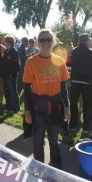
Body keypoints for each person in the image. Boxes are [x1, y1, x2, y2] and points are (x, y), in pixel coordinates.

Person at [23, 29, 70, 169]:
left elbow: (63, 87)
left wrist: (67, 107)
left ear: (53, 42)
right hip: (38, 109)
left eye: (48, 40)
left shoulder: (60, 61)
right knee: (38, 142)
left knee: (54, 142)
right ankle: (39, 171)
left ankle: (57, 172)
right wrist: (27, 111)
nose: (45, 43)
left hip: (55, 108)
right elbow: (26, 88)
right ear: (38, 42)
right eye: (42, 40)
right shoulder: (31, 62)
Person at [69, 33, 92, 134]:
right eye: (90, 39)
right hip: (86, 81)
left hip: (75, 80)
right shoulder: (91, 52)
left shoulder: (74, 51)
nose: (91, 41)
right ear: (86, 40)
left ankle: (72, 125)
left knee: (73, 103)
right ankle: (86, 128)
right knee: (87, 105)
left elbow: (70, 64)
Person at [0, 35, 20, 113]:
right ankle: (8, 107)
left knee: (13, 92)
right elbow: (3, 63)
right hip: (4, 75)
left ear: (9, 42)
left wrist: (12, 74)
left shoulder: (14, 52)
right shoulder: (5, 51)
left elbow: (17, 66)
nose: (4, 42)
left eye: (5, 41)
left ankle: (15, 108)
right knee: (6, 91)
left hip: (11, 76)